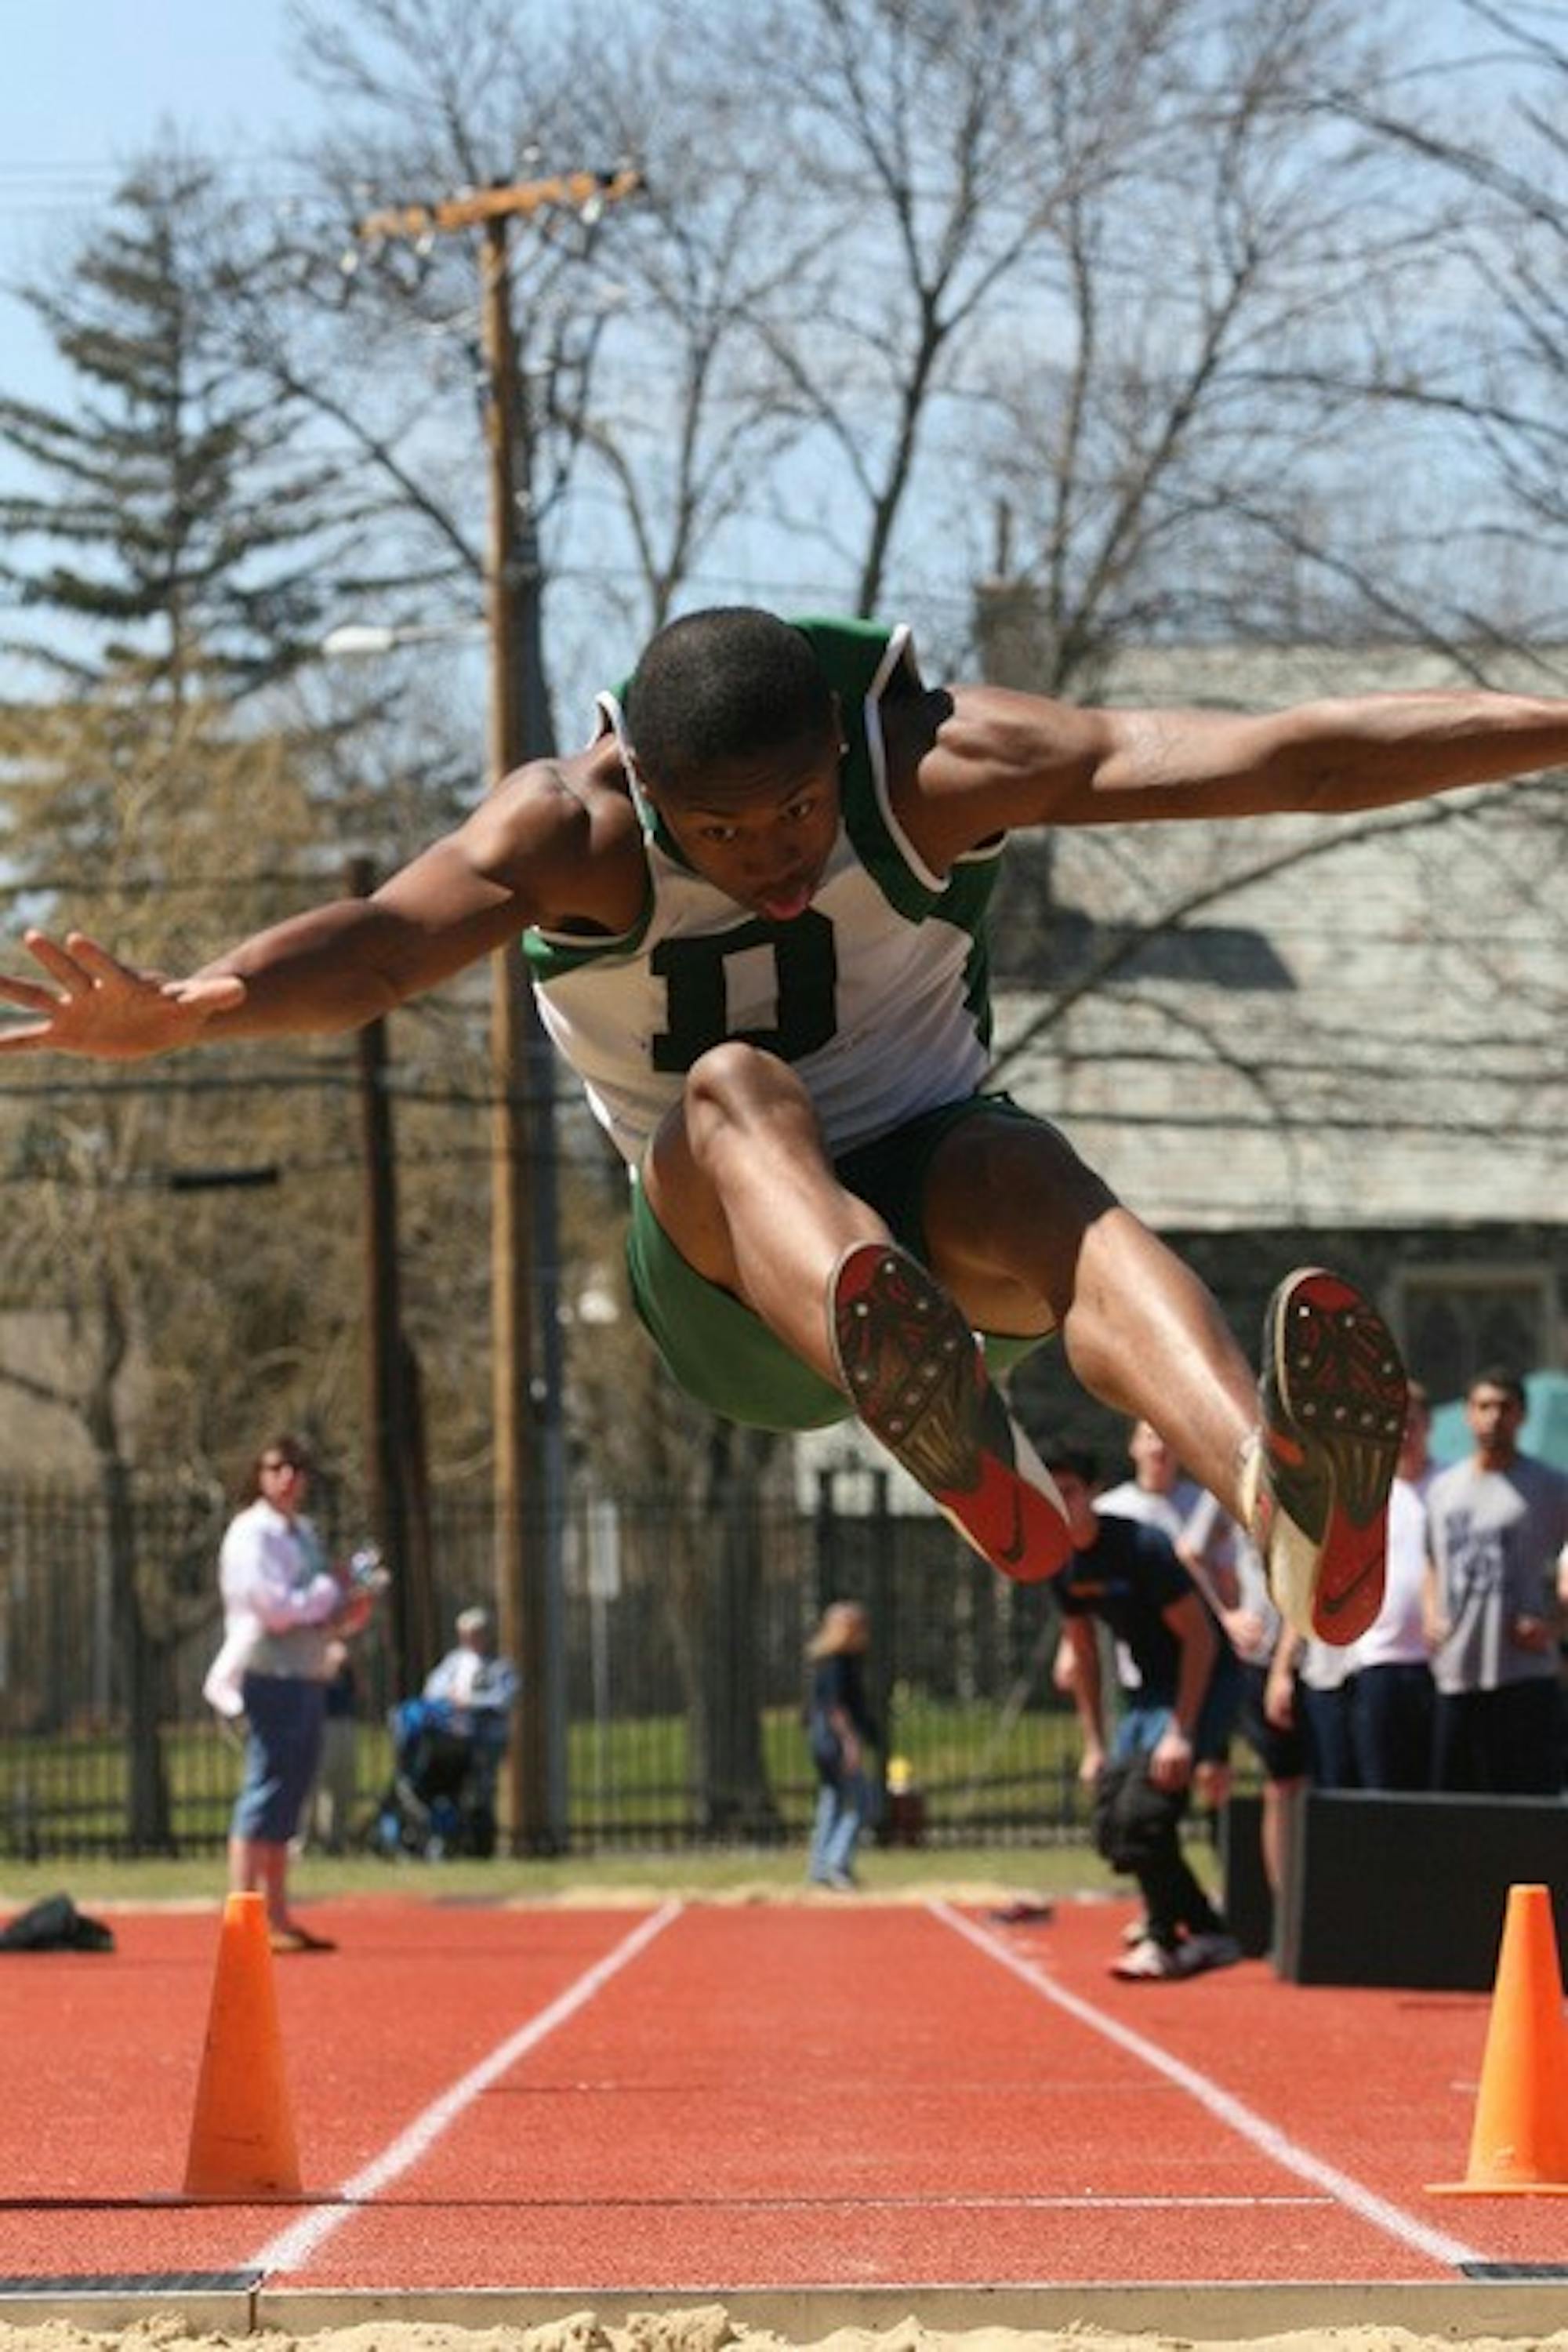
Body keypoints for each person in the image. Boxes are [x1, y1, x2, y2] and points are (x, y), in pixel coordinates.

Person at [19, 605, 1568, 1632]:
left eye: (795, 815)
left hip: (937, 1226)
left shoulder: (940, 765)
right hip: (726, 1275)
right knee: (735, 1088)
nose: (766, 854)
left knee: (1033, 1177)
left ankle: (1276, 1498)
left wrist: (1553, 721)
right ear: (644, 790)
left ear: (839, 749)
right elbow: (381, 941)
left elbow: (1287, 758)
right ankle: (901, 1366)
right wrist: (207, 999)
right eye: (719, 830)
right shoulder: (565, 827)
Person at [1049, 1449, 1242, 1980]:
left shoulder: (1140, 1547)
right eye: (1050, 1494)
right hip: (1148, 1690)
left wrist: (1182, 1733)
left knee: (1148, 1815)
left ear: (1092, 1493)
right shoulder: (1060, 1560)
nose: (1060, 1506)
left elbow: (1202, 1641)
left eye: (1068, 1493)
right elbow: (1084, 1656)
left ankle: (1163, 1936)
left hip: (1207, 1678)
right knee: (1115, 1822)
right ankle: (1207, 1930)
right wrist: (1092, 1743)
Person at [215, 1436, 370, 1952]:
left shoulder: (303, 1532)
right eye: (277, 1467)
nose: (288, 1477)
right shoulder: (250, 1533)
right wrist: (325, 1594)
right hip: (268, 1671)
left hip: (305, 1673)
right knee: (265, 1786)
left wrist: (345, 1606)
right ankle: (243, 1913)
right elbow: (273, 1606)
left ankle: (278, 1915)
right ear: (260, 1474)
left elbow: (319, 1605)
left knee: (291, 1793)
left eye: (297, 1468)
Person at [1425, 1367, 1568, 1796]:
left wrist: (1557, 1626)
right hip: (1458, 1673)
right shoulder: (1443, 1489)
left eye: (1505, 1408)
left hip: (1524, 1675)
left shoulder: (1552, 1488)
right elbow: (1431, 1562)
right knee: (1456, 1812)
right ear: (1468, 1414)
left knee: (1526, 1811)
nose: (1493, 1417)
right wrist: (1432, 1614)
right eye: (1484, 1406)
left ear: (1521, 1416)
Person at [1348, 1381, 1438, 1791]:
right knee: (1380, 1789)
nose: (1403, 1434)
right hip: (1377, 1660)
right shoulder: (1362, 1492)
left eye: (1411, 1423)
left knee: (1436, 1786)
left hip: (1440, 1664)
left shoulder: (1451, 1484)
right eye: (1392, 1424)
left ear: (1427, 1425)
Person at [803, 1598, 879, 1889]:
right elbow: (836, 1708)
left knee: (831, 1801)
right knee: (860, 1803)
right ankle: (836, 1864)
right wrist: (850, 1742)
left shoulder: (825, 1661)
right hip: (836, 1740)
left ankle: (819, 1868)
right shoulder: (838, 1664)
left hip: (822, 1741)